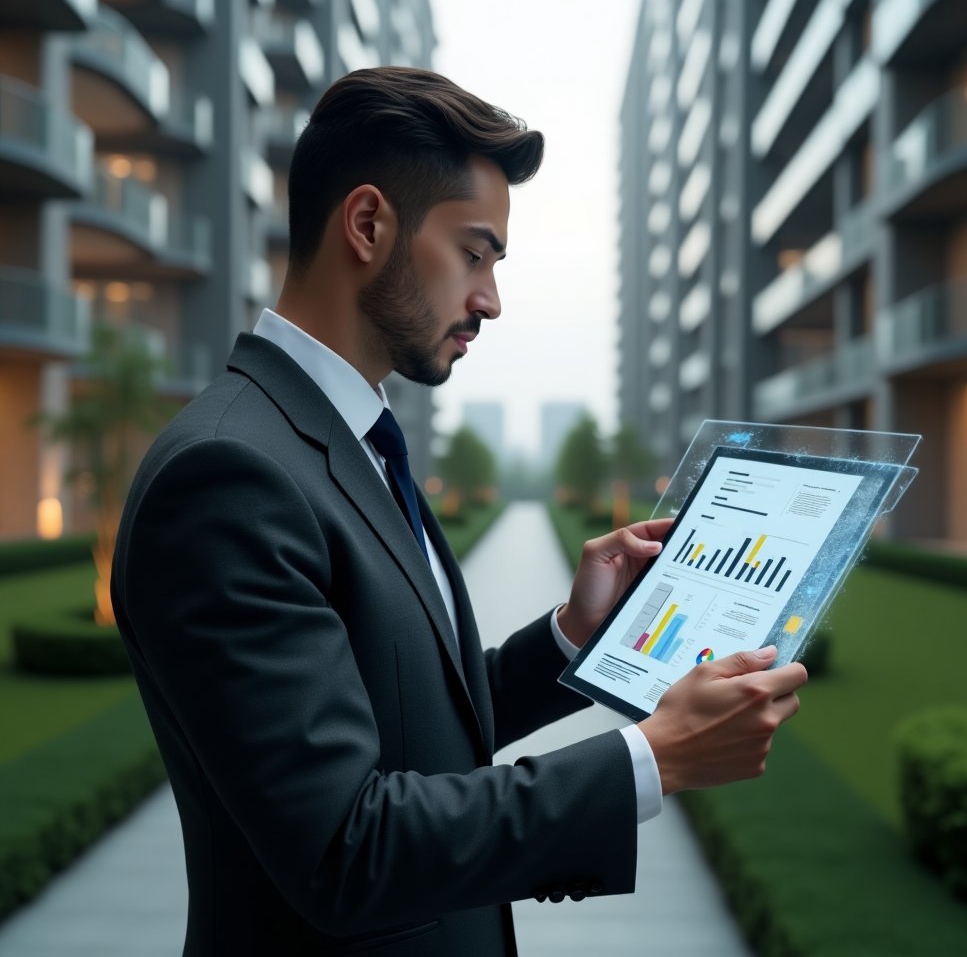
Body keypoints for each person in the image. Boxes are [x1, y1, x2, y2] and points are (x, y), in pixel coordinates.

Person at [112, 66, 807, 956]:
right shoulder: (228, 474)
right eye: (474, 254)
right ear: (368, 225)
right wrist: (651, 757)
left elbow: (412, 717)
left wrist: (568, 637)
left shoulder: (347, 437)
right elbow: (345, 846)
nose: (491, 299)